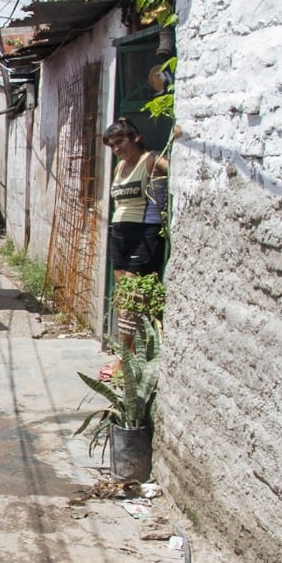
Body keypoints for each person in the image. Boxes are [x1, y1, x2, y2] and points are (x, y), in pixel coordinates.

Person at [100, 116, 169, 380]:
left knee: (131, 298)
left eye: (120, 142)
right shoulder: (120, 167)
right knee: (124, 298)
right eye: (112, 145)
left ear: (136, 137)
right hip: (120, 233)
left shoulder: (150, 160)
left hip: (144, 233)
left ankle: (123, 360)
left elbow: (177, 173)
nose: (117, 148)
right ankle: (130, 353)